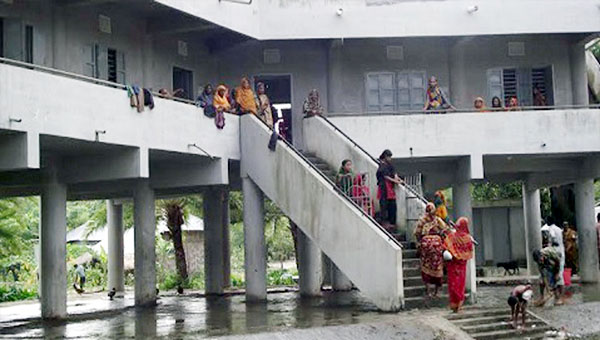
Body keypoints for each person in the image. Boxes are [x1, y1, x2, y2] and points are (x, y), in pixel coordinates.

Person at [414, 202, 450, 298]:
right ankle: (437, 292)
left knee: (425, 268)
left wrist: (420, 243)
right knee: (438, 268)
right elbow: (446, 229)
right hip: (437, 248)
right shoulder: (437, 219)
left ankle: (428, 291)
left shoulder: (422, 220)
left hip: (426, 248)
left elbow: (417, 233)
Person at [444, 217, 474, 313]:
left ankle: (454, 305)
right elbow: (469, 251)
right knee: (460, 285)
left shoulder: (451, 236)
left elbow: (445, 246)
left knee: (453, 285)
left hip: (453, 264)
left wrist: (453, 253)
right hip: (461, 265)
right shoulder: (468, 238)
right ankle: (459, 306)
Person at [376, 149, 403, 227]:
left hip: (390, 187)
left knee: (392, 205)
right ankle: (384, 221)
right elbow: (385, 176)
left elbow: (394, 173)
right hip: (383, 187)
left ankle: (392, 222)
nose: (390, 159)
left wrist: (397, 178)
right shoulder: (382, 166)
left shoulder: (390, 165)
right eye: (388, 157)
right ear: (385, 157)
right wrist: (395, 181)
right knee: (384, 205)